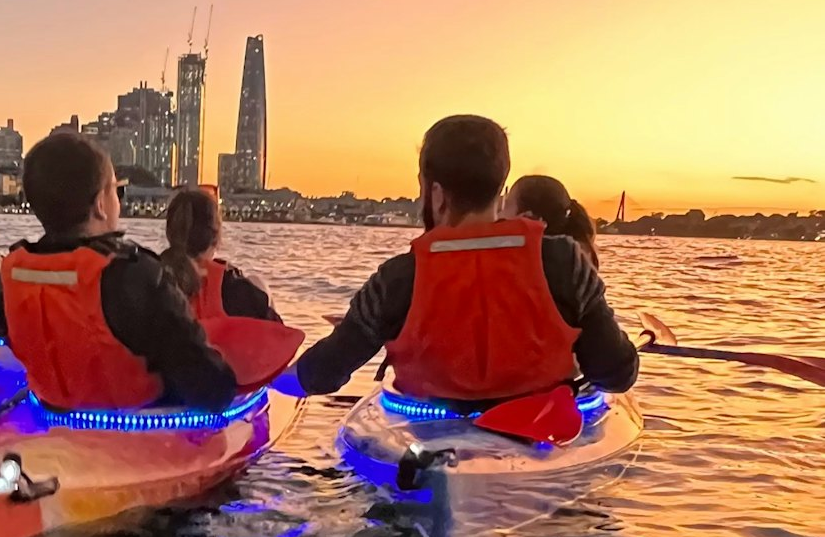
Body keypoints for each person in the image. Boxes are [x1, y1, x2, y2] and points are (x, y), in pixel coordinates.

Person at [288, 115, 638, 403]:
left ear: (436, 193)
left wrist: (259, 381)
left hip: (428, 440)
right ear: (500, 189)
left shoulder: (397, 278)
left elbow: (320, 375)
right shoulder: (566, 261)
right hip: (541, 438)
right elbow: (616, 374)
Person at [0, 132, 237, 411]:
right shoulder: (136, 278)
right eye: (115, 190)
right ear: (100, 206)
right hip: (141, 434)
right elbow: (212, 390)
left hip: (49, 425)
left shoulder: (4, 283)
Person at [160, 187, 280, 322]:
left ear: (170, 233)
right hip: (215, 340)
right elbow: (280, 337)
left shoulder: (149, 279)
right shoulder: (237, 291)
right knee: (259, 285)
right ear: (216, 237)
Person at [505, 174, 600, 267]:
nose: (499, 210)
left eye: (507, 204)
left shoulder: (520, 267)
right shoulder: (575, 268)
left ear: (528, 218)